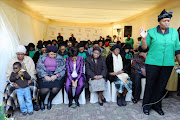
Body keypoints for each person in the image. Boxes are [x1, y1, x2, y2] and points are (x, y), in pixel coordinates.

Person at [139, 9, 180, 115]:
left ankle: (157, 105)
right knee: (150, 84)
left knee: (161, 86)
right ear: (159, 21)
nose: (167, 22)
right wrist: (144, 39)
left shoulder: (174, 32)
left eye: (168, 21)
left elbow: (177, 49)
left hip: (168, 64)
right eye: (164, 21)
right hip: (152, 63)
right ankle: (146, 105)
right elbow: (144, 48)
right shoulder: (151, 32)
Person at [4, 45, 39, 117]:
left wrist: (30, 79)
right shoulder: (12, 61)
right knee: (9, 88)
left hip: (27, 79)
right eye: (18, 54)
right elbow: (9, 74)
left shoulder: (29, 59)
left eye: (21, 54)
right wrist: (13, 83)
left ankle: (34, 102)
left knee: (34, 85)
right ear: (16, 54)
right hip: (15, 81)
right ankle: (10, 107)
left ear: (25, 53)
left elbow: (33, 72)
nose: (20, 56)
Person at [36, 46, 66, 110]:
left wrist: (56, 75)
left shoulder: (60, 58)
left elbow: (63, 69)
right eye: (51, 54)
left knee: (55, 88)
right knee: (45, 89)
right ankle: (41, 101)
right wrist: (45, 76)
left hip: (55, 75)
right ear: (48, 53)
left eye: (54, 54)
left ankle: (50, 100)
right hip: (45, 75)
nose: (53, 56)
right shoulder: (42, 58)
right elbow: (39, 68)